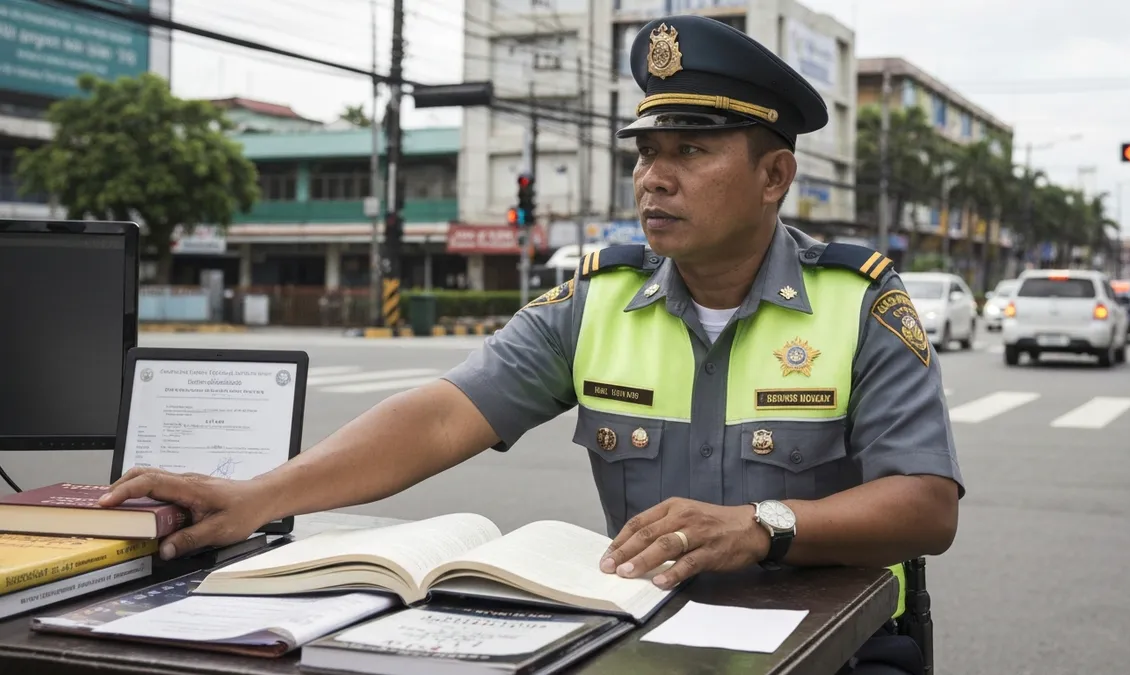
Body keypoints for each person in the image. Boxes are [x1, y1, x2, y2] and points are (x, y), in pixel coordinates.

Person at [101, 14, 963, 675]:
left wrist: (763, 525)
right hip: (648, 638)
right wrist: (257, 496)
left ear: (775, 176)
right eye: (645, 152)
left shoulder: (858, 301)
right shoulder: (599, 300)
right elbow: (443, 415)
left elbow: (927, 505)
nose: (652, 177)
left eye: (691, 152)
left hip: (834, 645)